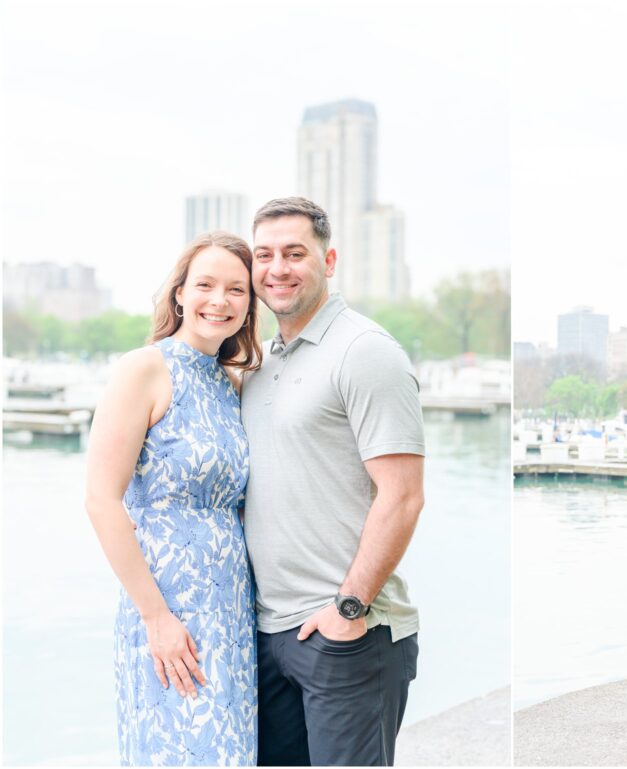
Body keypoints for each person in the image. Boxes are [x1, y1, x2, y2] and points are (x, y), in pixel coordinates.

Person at [241, 197, 425, 766]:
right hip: (271, 634)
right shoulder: (263, 360)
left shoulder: (364, 351)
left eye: (295, 253)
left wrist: (348, 608)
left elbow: (404, 495)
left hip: (349, 634)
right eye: (265, 255)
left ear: (330, 259)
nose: (278, 268)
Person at [85, 232, 262, 765]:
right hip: (167, 608)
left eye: (237, 289)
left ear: (250, 304)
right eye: (205, 284)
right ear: (179, 293)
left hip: (231, 610)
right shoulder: (144, 369)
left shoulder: (231, 383)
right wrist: (156, 618)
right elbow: (100, 500)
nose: (220, 300)